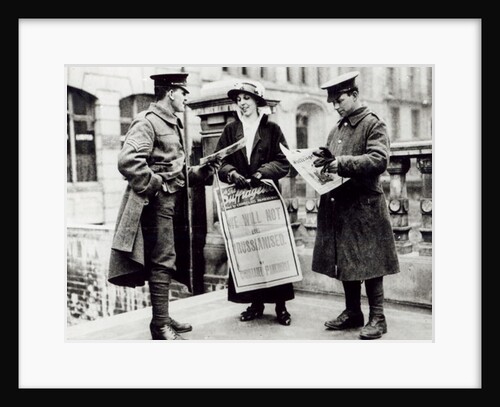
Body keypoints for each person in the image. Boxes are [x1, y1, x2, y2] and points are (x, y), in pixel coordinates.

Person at [107, 72, 220, 340]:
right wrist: (156, 185)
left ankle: (163, 316)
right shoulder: (147, 122)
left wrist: (200, 172)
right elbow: (128, 161)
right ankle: (159, 325)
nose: (185, 98)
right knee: (162, 260)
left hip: (174, 204)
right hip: (156, 204)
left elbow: (173, 170)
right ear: (170, 92)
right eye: (183, 92)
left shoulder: (170, 122)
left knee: (168, 258)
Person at [311, 71, 400, 340]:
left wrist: (341, 163)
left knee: (371, 263)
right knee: (345, 259)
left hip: (364, 205)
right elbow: (334, 160)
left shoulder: (373, 124)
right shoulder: (337, 128)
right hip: (341, 204)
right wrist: (322, 163)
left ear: (354, 95)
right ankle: (353, 312)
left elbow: (379, 160)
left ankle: (378, 318)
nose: (336, 106)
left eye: (340, 100)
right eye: (333, 103)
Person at [214, 80, 293, 326]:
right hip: (242, 199)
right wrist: (230, 173)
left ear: (257, 101)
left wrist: (262, 172)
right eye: (238, 100)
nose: (242, 103)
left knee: (273, 248)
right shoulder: (231, 129)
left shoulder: (272, 129)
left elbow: (284, 161)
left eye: (246, 98)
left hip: (267, 197)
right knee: (248, 249)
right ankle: (255, 303)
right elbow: (219, 161)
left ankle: (281, 306)